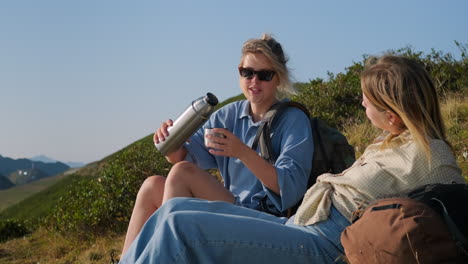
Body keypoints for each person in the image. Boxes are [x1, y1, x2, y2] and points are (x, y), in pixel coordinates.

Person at [119, 55, 464, 263]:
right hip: (301, 224)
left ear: (392, 113)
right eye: (246, 72)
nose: (361, 104)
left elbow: (456, 207)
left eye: (367, 100)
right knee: (174, 210)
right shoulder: (390, 140)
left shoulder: (433, 157)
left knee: (181, 229)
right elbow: (182, 157)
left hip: (326, 243)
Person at [121, 34, 313, 255]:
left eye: (264, 75)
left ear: (278, 78)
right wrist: (171, 141)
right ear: (239, 71)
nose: (254, 82)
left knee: (182, 173)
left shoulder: (293, 120)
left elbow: (290, 187)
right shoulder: (227, 115)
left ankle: (167, 254)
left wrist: (242, 152)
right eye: (247, 73)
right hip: (231, 207)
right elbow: (182, 158)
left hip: (265, 219)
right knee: (152, 185)